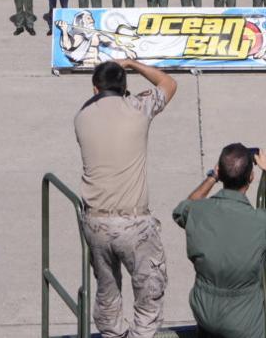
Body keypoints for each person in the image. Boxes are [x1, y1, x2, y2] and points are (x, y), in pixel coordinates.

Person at [75, 59, 178, 338]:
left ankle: (112, 335)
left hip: (95, 223)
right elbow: (168, 84)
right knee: (149, 292)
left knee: (107, 292)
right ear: (125, 87)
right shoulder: (138, 108)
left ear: (95, 88)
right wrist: (134, 63)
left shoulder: (82, 117)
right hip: (134, 225)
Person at [173, 145, 266, 338]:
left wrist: (212, 176)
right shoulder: (260, 222)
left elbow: (183, 208)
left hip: (205, 314)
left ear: (221, 172)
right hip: (244, 324)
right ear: (251, 178)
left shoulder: (197, 212)